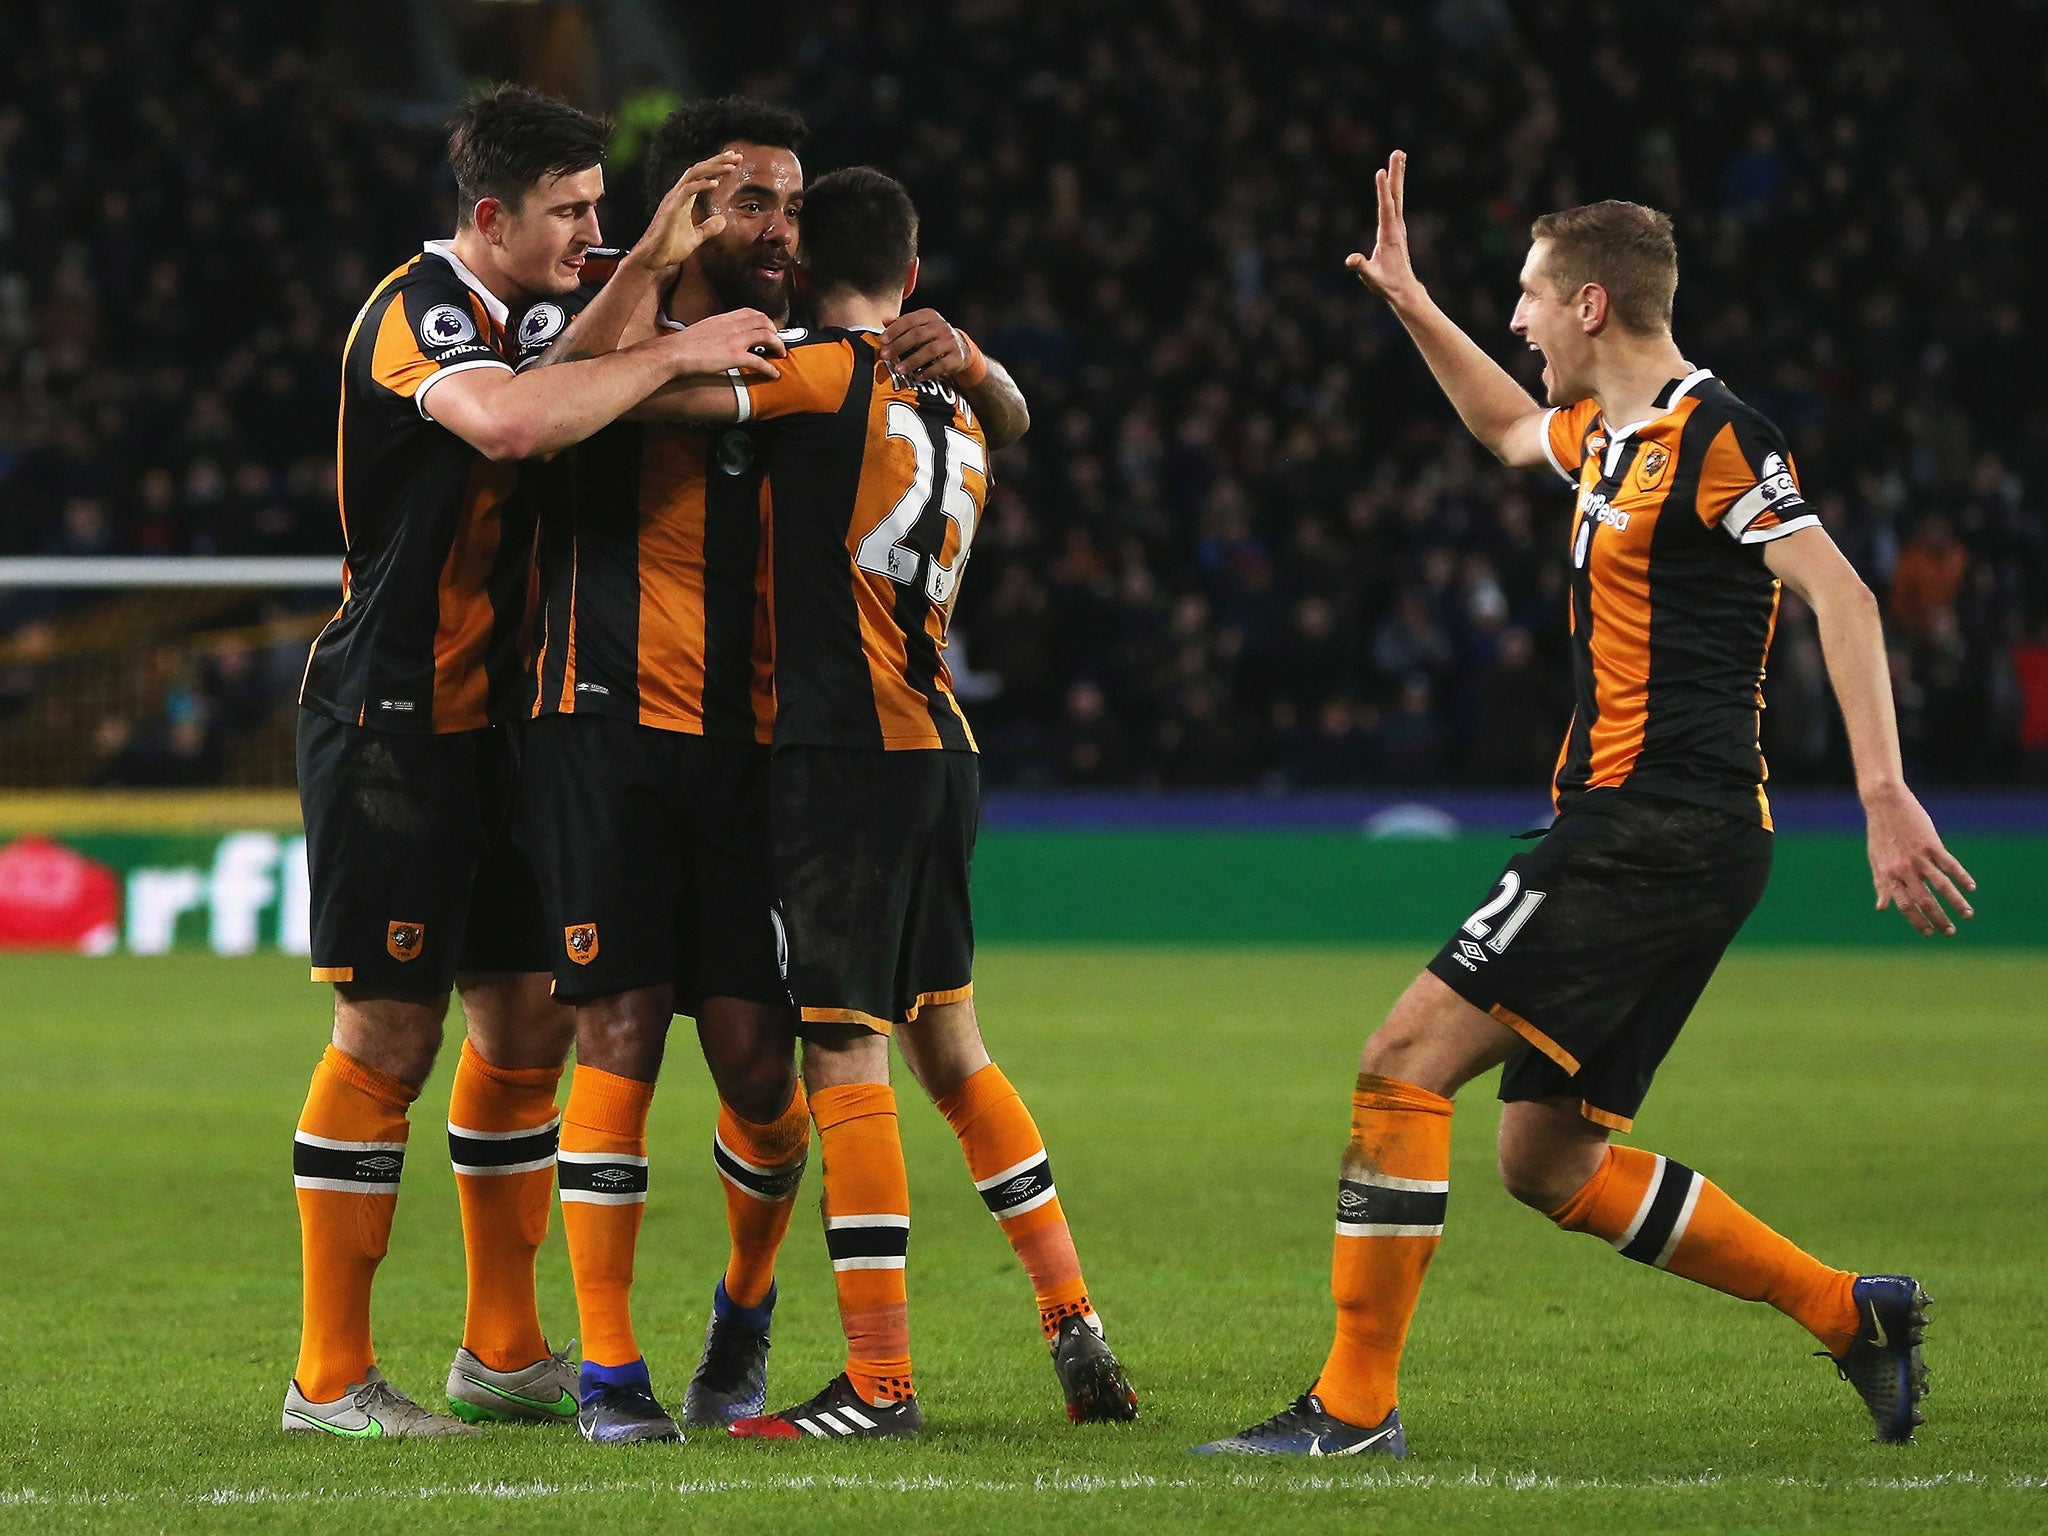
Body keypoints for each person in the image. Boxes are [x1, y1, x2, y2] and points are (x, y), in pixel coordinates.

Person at [1197, 152, 1976, 1458]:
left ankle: (1351, 1409)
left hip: (1655, 824)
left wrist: (1886, 796)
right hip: (1661, 834)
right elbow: (1507, 427)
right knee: (1545, 1162)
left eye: (1528, 298)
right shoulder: (1611, 442)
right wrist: (1409, 298)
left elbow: (1840, 595)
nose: (1518, 319)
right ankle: (1851, 1314)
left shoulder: (1718, 437)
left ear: (1593, 306)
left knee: (1400, 1064)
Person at [285, 83, 785, 1439]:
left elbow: (574, 362)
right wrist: (679, 357)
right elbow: (515, 422)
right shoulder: (419, 312)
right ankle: (327, 1378)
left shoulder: (536, 309)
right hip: (396, 718)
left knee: (526, 1025)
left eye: (600, 208)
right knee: (390, 1032)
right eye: (568, 213)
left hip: (504, 725)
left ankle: (501, 1351)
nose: (592, 232)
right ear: (490, 216)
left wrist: (665, 274)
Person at [645, 166, 1138, 1440]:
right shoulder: (953, 397)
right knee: (954, 1051)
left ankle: (879, 1384)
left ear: (800, 270)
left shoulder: (819, 372)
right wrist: (979, 361)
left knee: (842, 1050)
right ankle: (1070, 1319)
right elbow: (1017, 418)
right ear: (913, 277)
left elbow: (667, 394)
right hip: (938, 746)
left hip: (843, 751)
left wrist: (658, 307)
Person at [509, 96, 822, 1445]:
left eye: (792, 206)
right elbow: (547, 409)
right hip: (598, 718)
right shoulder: (580, 313)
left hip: (755, 745)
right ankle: (610, 1369)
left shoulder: (806, 343)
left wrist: (974, 370)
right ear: (686, 205)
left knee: (761, 1070)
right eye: (751, 200)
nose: (779, 230)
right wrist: (661, 297)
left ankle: (742, 1313)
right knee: (617, 1033)